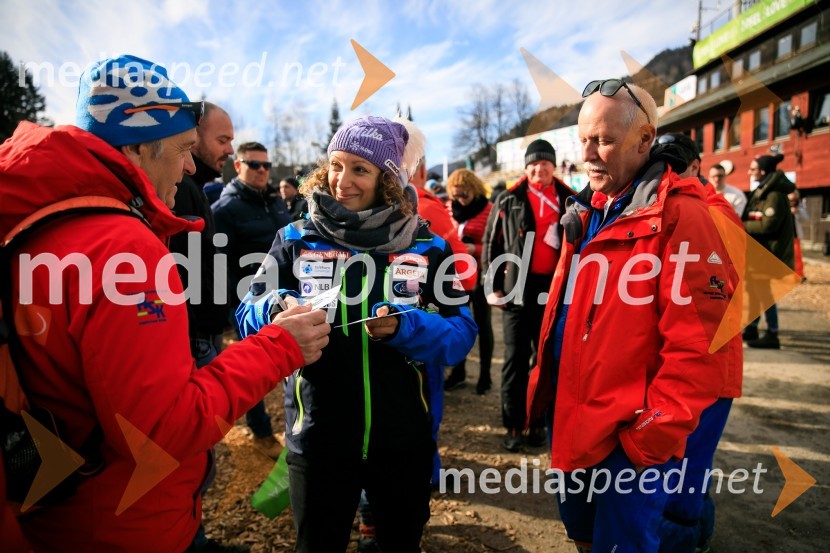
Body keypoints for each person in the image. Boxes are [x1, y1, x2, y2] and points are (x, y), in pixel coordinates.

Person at [0, 55, 330, 553]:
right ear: (136, 145)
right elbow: (162, 430)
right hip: (123, 522)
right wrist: (279, 346)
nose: (191, 166)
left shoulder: (43, 220)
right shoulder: (122, 248)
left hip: (52, 506)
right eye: (181, 149)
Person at [237, 115, 476, 553]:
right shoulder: (294, 238)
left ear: (387, 179)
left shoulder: (426, 246)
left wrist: (407, 326)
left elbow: (462, 333)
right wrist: (275, 309)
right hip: (318, 442)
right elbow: (246, 310)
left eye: (359, 169)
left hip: (402, 442)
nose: (341, 181)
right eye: (335, 164)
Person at [526, 80, 735, 552]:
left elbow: (700, 348)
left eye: (602, 140)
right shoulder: (589, 209)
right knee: (582, 535)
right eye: (582, 140)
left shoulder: (684, 217)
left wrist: (648, 439)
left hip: (631, 440)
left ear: (645, 139)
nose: (588, 154)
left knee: (622, 543)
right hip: (576, 421)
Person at [650, 133, 744, 553]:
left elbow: (722, 290)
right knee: (692, 465)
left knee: (686, 468)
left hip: (711, 365)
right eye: (662, 163)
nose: (669, 173)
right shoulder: (683, 206)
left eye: (677, 164)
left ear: (695, 166)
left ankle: (684, 540)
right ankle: (700, 535)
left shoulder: (711, 212)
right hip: (697, 359)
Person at [482, 138, 574, 452]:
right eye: (533, 164)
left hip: (554, 289)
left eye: (544, 163)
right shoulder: (509, 199)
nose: (539, 169)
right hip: (516, 290)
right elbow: (491, 243)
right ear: (526, 167)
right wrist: (492, 284)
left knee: (546, 359)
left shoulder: (570, 199)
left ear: (554, 166)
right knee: (515, 359)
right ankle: (513, 424)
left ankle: (537, 422)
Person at [212, 141, 292, 456]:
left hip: (284, 296)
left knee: (291, 359)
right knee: (254, 369)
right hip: (247, 300)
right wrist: (235, 303)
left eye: (266, 165)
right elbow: (218, 263)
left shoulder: (275, 201)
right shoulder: (224, 209)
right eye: (253, 164)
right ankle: (260, 432)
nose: (262, 171)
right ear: (237, 166)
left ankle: (295, 428)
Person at [170, 102, 235, 367]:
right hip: (194, 342)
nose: (230, 150)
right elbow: (176, 267)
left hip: (205, 335)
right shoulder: (179, 189)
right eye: (223, 140)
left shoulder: (194, 187)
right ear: (193, 138)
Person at [445, 169, 494, 394]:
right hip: (456, 275)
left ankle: (485, 375)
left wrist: (476, 248)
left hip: (482, 275)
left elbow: (497, 245)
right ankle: (459, 371)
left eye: (464, 195)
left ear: (474, 189)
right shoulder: (448, 208)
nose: (460, 200)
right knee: (459, 323)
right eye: (456, 196)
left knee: (483, 325)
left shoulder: (489, 209)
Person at [742, 153, 795, 349]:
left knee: (765, 295)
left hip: (768, 255)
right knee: (756, 293)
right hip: (759, 254)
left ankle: (772, 334)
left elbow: (768, 225)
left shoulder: (774, 195)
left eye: (753, 169)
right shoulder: (764, 191)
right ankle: (752, 328)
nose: (750, 172)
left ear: (763, 172)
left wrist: (740, 224)